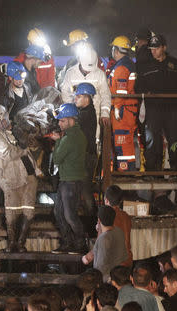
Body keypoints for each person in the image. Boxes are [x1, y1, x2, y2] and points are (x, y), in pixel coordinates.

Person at [136, 34, 177, 174]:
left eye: (156, 48)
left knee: (174, 139)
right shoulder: (146, 66)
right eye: (151, 48)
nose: (153, 51)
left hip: (171, 109)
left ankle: (174, 171)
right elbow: (138, 85)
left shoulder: (175, 64)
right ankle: (154, 172)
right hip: (153, 109)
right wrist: (144, 93)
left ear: (164, 48)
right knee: (153, 141)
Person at [0, 104, 40, 252]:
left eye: (3, 119)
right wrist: (23, 149)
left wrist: (36, 169)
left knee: (28, 211)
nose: (1, 122)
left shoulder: (16, 131)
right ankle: (11, 243)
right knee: (11, 212)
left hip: (28, 176)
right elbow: (9, 154)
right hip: (11, 179)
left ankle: (21, 243)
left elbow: (31, 150)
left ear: (6, 116)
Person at [50, 103, 87, 254]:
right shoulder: (79, 135)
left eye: (62, 120)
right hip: (71, 181)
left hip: (69, 182)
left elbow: (57, 159)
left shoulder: (68, 139)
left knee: (68, 215)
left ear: (72, 120)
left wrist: (57, 140)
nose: (59, 123)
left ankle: (79, 243)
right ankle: (69, 243)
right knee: (60, 212)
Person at [60, 45, 112, 143]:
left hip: (94, 116)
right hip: (74, 117)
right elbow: (65, 93)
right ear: (80, 60)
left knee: (93, 142)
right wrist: (72, 110)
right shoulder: (70, 73)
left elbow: (105, 95)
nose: (88, 70)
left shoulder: (99, 74)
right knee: (74, 143)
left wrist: (105, 113)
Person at [108, 36, 139, 172]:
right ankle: (126, 170)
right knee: (125, 142)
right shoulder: (128, 64)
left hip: (123, 110)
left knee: (122, 142)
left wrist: (117, 107)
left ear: (116, 50)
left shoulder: (121, 67)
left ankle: (125, 172)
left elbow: (120, 91)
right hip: (127, 109)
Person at [83, 186, 132, 268]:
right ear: (120, 201)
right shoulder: (126, 216)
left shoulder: (105, 216)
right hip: (127, 261)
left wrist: (87, 258)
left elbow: (99, 246)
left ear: (106, 200)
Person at [74, 83, 98, 216]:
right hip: (86, 156)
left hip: (86, 157)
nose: (75, 98)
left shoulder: (86, 114)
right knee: (82, 189)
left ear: (87, 98)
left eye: (79, 96)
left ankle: (92, 221)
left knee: (85, 190)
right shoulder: (86, 112)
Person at [91, 206, 127, 282]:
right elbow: (124, 256)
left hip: (105, 279)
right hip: (117, 275)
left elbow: (100, 266)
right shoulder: (119, 231)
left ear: (99, 220)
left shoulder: (103, 239)